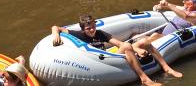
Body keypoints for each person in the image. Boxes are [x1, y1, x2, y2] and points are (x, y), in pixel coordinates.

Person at [51, 14, 180, 86]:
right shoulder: (79, 35)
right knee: (128, 46)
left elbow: (119, 44)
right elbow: (55, 27)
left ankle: (167, 68)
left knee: (144, 42)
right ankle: (144, 78)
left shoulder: (100, 33)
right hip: (97, 62)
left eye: (93, 27)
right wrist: (56, 35)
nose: (91, 30)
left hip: (108, 56)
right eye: (88, 28)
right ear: (83, 29)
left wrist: (136, 49)